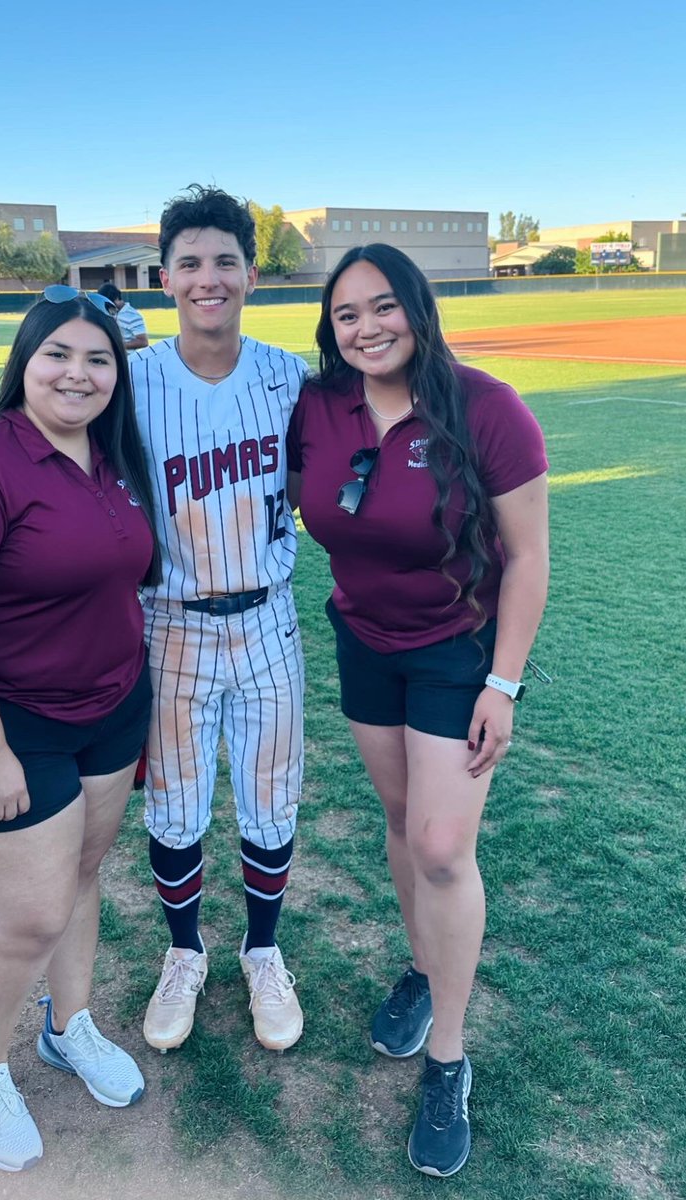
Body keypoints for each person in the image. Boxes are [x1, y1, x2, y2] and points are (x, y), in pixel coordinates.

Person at [287, 244, 549, 1177]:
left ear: (418, 308)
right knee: (401, 824)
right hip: (362, 641)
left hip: (455, 652)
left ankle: (447, 1054)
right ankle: (422, 961)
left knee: (443, 846)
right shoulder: (317, 406)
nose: (366, 327)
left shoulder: (485, 407)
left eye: (383, 306)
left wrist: (502, 682)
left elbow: (526, 557)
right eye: (346, 314)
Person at [0, 288, 162, 1173]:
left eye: (98, 359)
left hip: (113, 707)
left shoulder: (113, 453)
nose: (77, 373)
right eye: (58, 354)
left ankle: (69, 1027)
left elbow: (124, 580)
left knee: (84, 874)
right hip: (13, 723)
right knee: (29, 915)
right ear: (25, 360)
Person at [130, 185, 307, 1054]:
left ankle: (263, 951)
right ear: (166, 277)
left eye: (225, 262)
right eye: (191, 263)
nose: (209, 278)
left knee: (270, 800)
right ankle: (184, 953)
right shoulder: (129, 380)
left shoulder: (287, 374)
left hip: (269, 618)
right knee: (176, 802)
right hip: (171, 625)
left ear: (251, 273)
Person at [97, 282, 149, 350]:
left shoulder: (132, 316)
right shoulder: (108, 311)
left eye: (109, 303)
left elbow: (143, 342)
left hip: (127, 359)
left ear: (117, 298)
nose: (107, 306)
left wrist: (117, 346)